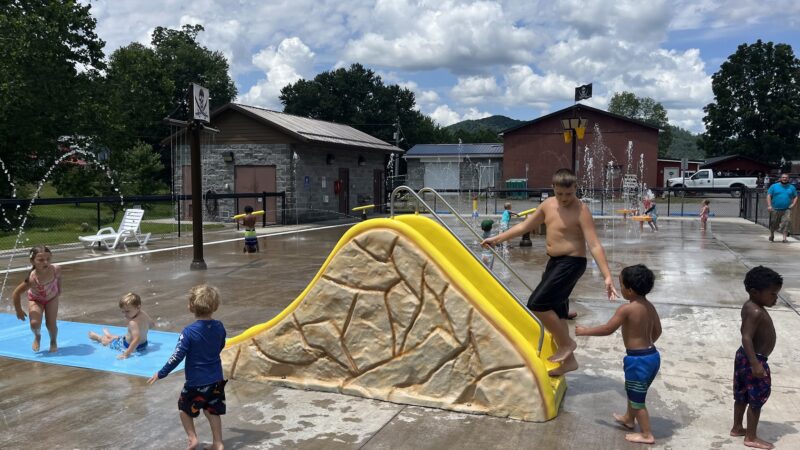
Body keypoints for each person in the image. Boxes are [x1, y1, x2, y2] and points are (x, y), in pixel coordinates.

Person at [481, 168, 618, 376]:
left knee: (537, 304)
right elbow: (524, 227)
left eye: (569, 194)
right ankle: (569, 362)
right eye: (560, 193)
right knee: (558, 312)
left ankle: (567, 344)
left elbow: (594, 245)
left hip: (572, 263)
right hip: (554, 263)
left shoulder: (581, 210)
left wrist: (607, 276)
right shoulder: (547, 205)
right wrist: (496, 239)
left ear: (576, 188)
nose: (564, 198)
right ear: (553, 188)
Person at [576, 264, 662, 444]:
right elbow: (658, 331)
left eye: (621, 284)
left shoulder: (626, 309)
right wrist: (646, 344)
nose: (620, 288)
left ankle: (646, 434)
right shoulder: (649, 307)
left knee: (637, 400)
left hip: (638, 361)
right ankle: (629, 419)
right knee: (634, 391)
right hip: (652, 356)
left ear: (630, 290)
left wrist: (585, 331)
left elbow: (608, 329)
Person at [148, 285, 227, 450]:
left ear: (191, 306)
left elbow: (177, 356)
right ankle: (218, 443)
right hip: (216, 379)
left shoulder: (189, 332)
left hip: (196, 382)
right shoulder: (219, 326)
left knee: (184, 409)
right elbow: (221, 345)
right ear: (215, 306)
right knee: (212, 410)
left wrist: (161, 373)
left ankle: (192, 439)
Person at [730, 266, 782, 450]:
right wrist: (755, 364)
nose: (776, 298)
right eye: (772, 294)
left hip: (745, 357)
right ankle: (751, 437)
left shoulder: (750, 306)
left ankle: (737, 427)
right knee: (756, 399)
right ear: (754, 292)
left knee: (742, 394)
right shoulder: (756, 312)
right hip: (754, 359)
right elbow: (746, 337)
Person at [11, 246, 61, 352]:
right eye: (41, 260)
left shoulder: (55, 269)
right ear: (32, 261)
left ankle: (53, 341)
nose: (45, 262)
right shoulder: (32, 279)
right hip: (36, 299)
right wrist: (18, 310)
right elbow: (16, 293)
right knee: (34, 323)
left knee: (51, 324)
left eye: (48, 259)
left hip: (52, 298)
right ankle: (37, 336)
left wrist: (59, 289)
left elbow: (59, 278)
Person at [88, 292, 153, 359]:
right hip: (144, 345)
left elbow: (137, 339)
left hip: (129, 346)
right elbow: (151, 325)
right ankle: (109, 335)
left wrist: (126, 354)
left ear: (138, 307)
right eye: (123, 311)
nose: (125, 314)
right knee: (121, 338)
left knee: (107, 342)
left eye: (127, 311)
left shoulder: (133, 323)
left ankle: (98, 337)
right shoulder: (144, 314)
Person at [766, 173, 797, 243]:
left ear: (788, 179)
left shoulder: (792, 187)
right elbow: (769, 195)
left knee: (787, 222)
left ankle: (784, 238)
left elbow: (795, 196)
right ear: (780, 178)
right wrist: (769, 205)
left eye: (786, 177)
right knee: (774, 223)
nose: (784, 179)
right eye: (783, 177)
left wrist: (793, 204)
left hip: (786, 209)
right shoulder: (774, 186)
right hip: (775, 209)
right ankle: (772, 235)